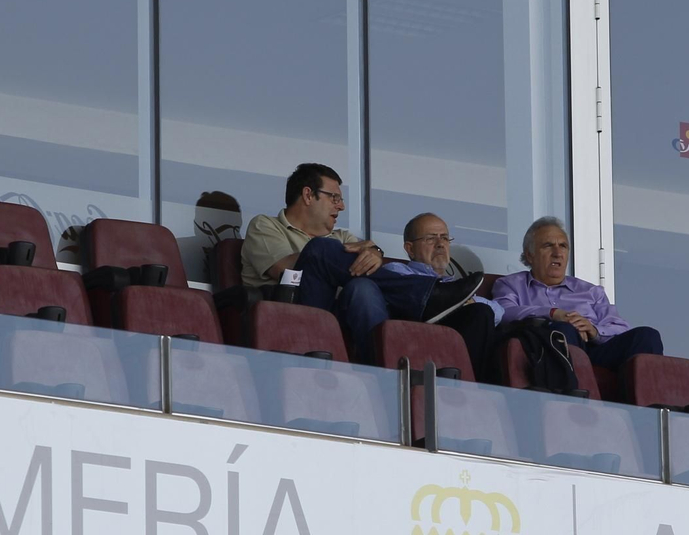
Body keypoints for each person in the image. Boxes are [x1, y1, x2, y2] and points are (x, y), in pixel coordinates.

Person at [241, 163, 480, 351]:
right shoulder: (265, 225)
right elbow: (282, 269)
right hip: (292, 311)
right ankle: (426, 294)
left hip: (337, 313)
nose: (341, 206)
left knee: (363, 287)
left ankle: (384, 366)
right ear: (308, 195)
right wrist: (328, 253)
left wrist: (375, 254)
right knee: (318, 249)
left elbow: (365, 263)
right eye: (334, 198)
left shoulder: (342, 236)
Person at [491, 216, 663, 371]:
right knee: (562, 330)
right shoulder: (510, 284)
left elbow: (620, 328)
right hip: (549, 349)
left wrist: (593, 330)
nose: (557, 253)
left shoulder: (591, 291)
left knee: (648, 336)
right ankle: (570, 398)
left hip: (595, 349)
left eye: (563, 246)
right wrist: (553, 314)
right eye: (548, 246)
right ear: (530, 255)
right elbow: (504, 312)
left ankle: (650, 405)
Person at [381, 212, 502, 381]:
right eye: (431, 238)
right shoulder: (397, 271)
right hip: (417, 341)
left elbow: (499, 311)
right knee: (479, 312)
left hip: (453, 339)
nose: (440, 245)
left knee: (483, 313)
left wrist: (466, 301)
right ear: (410, 248)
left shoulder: (457, 287)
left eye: (444, 238)